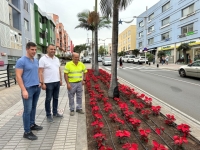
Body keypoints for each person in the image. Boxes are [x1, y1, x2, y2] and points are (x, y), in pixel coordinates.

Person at [15, 42, 43, 140]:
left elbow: (37, 72)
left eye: (35, 50)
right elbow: (18, 76)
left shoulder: (35, 60)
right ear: (27, 49)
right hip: (28, 89)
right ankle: (27, 132)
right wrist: (23, 90)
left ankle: (32, 124)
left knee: (33, 108)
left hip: (36, 88)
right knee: (27, 110)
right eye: (32, 49)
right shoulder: (21, 61)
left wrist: (39, 82)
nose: (34, 51)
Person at [39, 44, 63, 122]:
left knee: (56, 98)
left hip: (56, 81)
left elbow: (59, 70)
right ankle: (48, 115)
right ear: (47, 49)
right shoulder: (43, 59)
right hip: (48, 83)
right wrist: (42, 83)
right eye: (51, 49)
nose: (53, 51)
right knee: (48, 99)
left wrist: (60, 79)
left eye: (54, 49)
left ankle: (55, 113)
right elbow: (40, 72)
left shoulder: (57, 59)